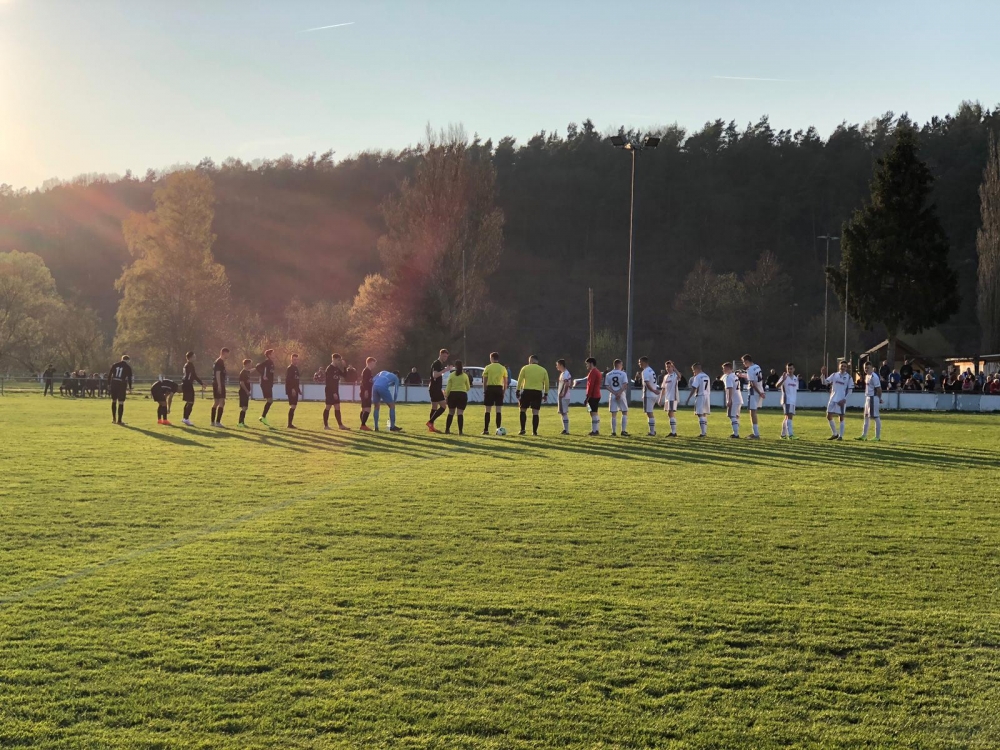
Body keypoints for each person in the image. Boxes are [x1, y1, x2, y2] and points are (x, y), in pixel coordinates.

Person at [516, 355, 549, 436]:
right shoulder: (543, 370)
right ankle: (534, 432)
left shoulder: (525, 368)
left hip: (527, 391)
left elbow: (520, 380)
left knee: (522, 410)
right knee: (535, 412)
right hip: (537, 392)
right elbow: (546, 382)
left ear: (530, 360)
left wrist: (518, 390)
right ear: (537, 361)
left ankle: (522, 429)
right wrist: (546, 393)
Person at [822, 360, 853, 440]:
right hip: (833, 398)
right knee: (828, 416)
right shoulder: (834, 375)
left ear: (846, 368)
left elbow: (850, 391)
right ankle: (835, 433)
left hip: (841, 400)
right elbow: (825, 382)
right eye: (842, 366)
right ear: (839, 366)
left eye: (845, 366)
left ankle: (841, 436)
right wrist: (823, 374)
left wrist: (844, 400)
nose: (843, 367)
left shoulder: (849, 377)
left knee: (841, 417)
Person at [482, 352, 509, 435]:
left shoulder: (488, 367)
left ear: (492, 358)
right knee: (498, 410)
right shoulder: (503, 368)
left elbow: (484, 381)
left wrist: (485, 390)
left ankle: (486, 430)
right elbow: (505, 382)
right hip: (499, 388)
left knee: (487, 410)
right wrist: (503, 391)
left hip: (490, 388)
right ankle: (498, 430)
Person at [858, 361, 884, 441]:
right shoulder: (867, 376)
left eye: (868, 368)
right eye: (865, 368)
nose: (866, 369)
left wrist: (879, 398)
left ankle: (877, 437)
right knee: (866, 416)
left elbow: (879, 389)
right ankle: (864, 435)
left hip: (873, 398)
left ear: (872, 368)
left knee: (876, 416)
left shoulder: (874, 377)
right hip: (868, 398)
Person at [323, 353, 350, 431]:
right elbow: (329, 382)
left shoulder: (337, 369)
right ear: (334, 359)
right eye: (338, 360)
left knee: (337, 407)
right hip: (330, 391)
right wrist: (334, 392)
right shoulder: (329, 369)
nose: (339, 362)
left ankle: (340, 425)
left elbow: (345, 376)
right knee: (328, 407)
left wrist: (344, 367)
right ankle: (326, 425)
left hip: (335, 390)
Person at [426, 348, 450, 433]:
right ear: (440, 355)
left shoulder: (438, 364)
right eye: (444, 356)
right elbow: (435, 375)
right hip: (435, 388)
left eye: (446, 356)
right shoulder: (437, 363)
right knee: (443, 406)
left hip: (434, 388)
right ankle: (430, 422)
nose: (445, 358)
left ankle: (431, 427)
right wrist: (445, 370)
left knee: (434, 407)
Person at [604, 359, 630, 437]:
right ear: (619, 365)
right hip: (621, 394)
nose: (622, 366)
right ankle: (623, 431)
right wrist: (619, 393)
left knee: (613, 414)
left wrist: (615, 393)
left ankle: (613, 432)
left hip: (613, 395)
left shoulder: (608, 374)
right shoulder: (623, 373)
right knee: (624, 412)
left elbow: (606, 386)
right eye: (621, 364)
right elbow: (625, 384)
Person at [444, 359, 470, 435]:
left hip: (452, 395)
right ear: (462, 366)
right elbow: (468, 388)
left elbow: (448, 387)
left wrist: (446, 396)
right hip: (462, 395)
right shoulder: (465, 376)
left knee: (451, 412)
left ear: (455, 366)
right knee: (460, 413)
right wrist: (463, 389)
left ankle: (447, 430)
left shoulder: (451, 375)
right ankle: (460, 431)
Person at [741, 354, 764, 439]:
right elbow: (758, 378)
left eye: (744, 362)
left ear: (747, 361)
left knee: (752, 412)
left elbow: (752, 383)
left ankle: (756, 433)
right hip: (759, 390)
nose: (743, 364)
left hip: (753, 392)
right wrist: (761, 392)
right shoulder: (757, 366)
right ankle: (755, 433)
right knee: (754, 412)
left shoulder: (750, 369)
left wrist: (759, 392)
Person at [685, 363, 711, 437]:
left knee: (700, 414)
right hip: (707, 396)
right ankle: (704, 432)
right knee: (704, 414)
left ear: (696, 369)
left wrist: (688, 398)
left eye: (693, 370)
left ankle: (703, 433)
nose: (693, 372)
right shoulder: (706, 376)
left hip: (700, 395)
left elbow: (694, 388)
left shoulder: (697, 377)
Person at [578, 357, 602, 436]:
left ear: (591, 363)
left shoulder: (593, 372)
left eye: (587, 364)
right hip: (596, 394)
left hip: (593, 395)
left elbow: (591, 385)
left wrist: (588, 396)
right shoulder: (597, 371)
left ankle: (594, 430)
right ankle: (596, 429)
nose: (586, 365)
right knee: (594, 412)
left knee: (593, 413)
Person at [107, 354, 133, 425]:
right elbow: (129, 378)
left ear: (121, 359)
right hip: (121, 384)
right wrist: (130, 387)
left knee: (114, 400)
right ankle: (119, 420)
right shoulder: (128, 367)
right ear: (128, 360)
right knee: (121, 402)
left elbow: (110, 375)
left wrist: (109, 384)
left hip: (114, 383)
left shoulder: (115, 365)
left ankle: (114, 419)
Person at [775, 363, 799, 439]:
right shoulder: (784, 376)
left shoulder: (795, 378)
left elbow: (795, 389)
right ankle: (790, 435)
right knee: (789, 417)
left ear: (794, 369)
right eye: (788, 369)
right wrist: (783, 380)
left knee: (787, 418)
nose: (789, 370)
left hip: (793, 400)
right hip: (787, 400)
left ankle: (783, 435)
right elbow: (777, 385)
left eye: (791, 368)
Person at [658, 360, 680, 437]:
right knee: (669, 413)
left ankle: (673, 432)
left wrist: (675, 368)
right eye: (666, 367)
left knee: (671, 413)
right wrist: (660, 398)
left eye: (669, 367)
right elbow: (663, 388)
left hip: (673, 397)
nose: (667, 368)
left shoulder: (675, 375)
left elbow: (679, 376)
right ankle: (673, 432)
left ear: (672, 367)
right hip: (667, 398)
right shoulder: (666, 377)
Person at [181, 351, 204, 426]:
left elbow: (192, 376)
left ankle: (184, 418)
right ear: (190, 357)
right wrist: (201, 383)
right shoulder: (190, 365)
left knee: (188, 401)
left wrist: (201, 383)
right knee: (191, 402)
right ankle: (186, 418)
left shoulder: (186, 365)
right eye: (194, 356)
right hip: (188, 384)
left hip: (186, 384)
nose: (195, 358)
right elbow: (193, 376)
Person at [639, 356, 660, 436]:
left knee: (649, 413)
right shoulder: (651, 370)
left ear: (644, 362)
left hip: (649, 394)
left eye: (640, 362)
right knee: (649, 412)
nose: (639, 364)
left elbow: (647, 384)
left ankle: (652, 431)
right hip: (653, 394)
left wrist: (653, 390)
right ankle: (652, 430)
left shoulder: (645, 371)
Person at [255, 349, 276, 427]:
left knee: (270, 400)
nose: (274, 355)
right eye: (273, 354)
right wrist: (263, 375)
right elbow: (257, 366)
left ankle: (263, 417)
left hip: (268, 384)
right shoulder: (267, 362)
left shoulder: (271, 363)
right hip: (265, 384)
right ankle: (263, 417)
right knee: (270, 400)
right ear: (269, 355)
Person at [722, 362, 742, 438]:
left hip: (734, 399)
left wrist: (729, 400)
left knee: (732, 416)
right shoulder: (735, 376)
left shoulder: (729, 377)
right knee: (736, 416)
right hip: (739, 398)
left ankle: (736, 434)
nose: (723, 370)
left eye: (724, 368)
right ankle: (736, 433)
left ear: (728, 368)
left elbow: (730, 388)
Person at [211, 348, 229, 427]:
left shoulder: (218, 361)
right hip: (219, 383)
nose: (228, 355)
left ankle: (213, 422)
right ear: (224, 353)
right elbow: (217, 373)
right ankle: (217, 422)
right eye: (227, 353)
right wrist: (219, 385)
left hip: (217, 383)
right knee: (222, 402)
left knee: (216, 402)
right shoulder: (219, 362)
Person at [359, 357, 376, 431]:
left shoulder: (367, 371)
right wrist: (366, 391)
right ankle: (363, 425)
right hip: (365, 391)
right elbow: (364, 382)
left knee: (363, 409)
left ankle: (363, 425)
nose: (374, 365)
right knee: (367, 409)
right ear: (370, 363)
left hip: (364, 391)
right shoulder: (367, 371)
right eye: (374, 363)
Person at [285, 353, 302, 428]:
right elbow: (288, 380)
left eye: (297, 359)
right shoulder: (290, 368)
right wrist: (292, 389)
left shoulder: (296, 368)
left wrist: (298, 389)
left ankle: (290, 424)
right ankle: (289, 424)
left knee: (294, 406)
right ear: (291, 359)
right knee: (293, 406)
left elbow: (296, 380)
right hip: (291, 390)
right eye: (294, 359)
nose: (296, 361)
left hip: (295, 389)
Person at [237, 358, 253, 427]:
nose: (251, 365)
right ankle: (240, 422)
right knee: (244, 407)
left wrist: (258, 367)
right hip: (243, 392)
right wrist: (247, 391)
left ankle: (242, 422)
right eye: (250, 364)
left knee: (245, 407)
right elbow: (242, 383)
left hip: (246, 392)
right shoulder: (243, 373)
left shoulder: (247, 372)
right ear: (247, 364)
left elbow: (251, 370)